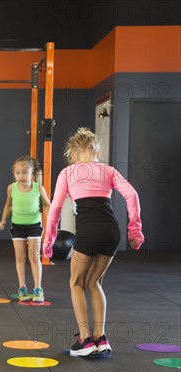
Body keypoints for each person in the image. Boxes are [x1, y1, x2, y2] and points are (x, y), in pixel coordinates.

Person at [43, 127, 144, 356]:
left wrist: (48, 242)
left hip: (88, 231)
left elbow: (55, 208)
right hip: (112, 231)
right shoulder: (108, 170)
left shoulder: (68, 173)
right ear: (96, 151)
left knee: (76, 283)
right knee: (94, 282)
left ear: (73, 153)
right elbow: (132, 195)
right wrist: (135, 230)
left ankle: (86, 340)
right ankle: (102, 338)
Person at [0, 156, 50, 302]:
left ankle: (38, 288)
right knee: (20, 257)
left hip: (34, 226)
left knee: (33, 257)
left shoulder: (38, 188)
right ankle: (22, 288)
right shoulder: (11, 188)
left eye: (25, 172)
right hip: (17, 226)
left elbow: (47, 204)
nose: (21, 176)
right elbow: (8, 205)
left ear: (33, 174)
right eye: (18, 173)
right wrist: (3, 219)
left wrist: (50, 218)